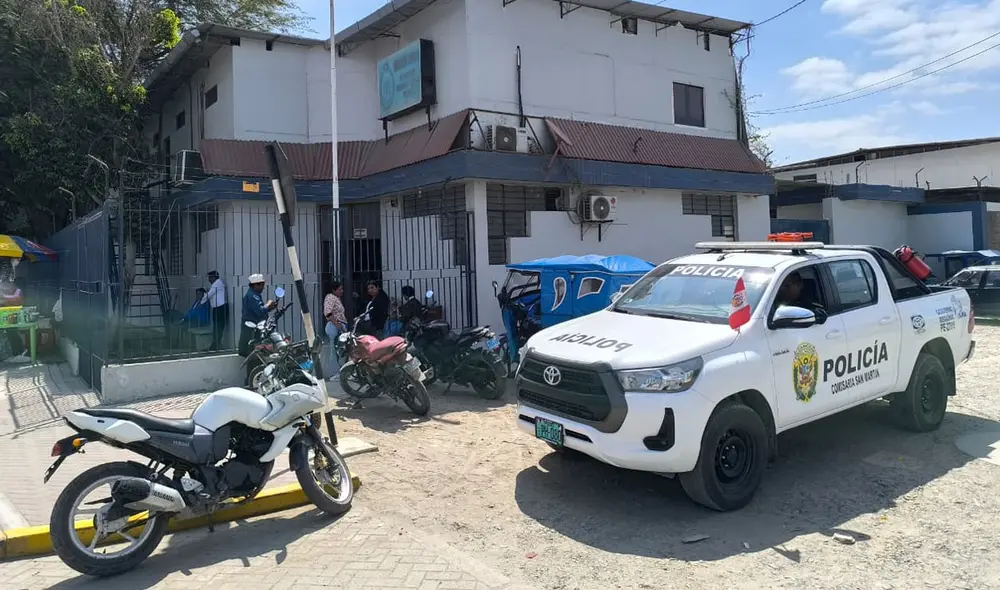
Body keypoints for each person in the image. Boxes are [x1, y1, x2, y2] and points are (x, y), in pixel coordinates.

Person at [238, 273, 276, 358]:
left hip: (255, 328)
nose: (263, 287)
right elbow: (260, 310)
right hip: (251, 329)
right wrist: (268, 304)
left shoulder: (255, 295)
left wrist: (270, 308)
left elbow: (260, 311)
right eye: (261, 285)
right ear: (255, 285)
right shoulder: (252, 296)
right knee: (253, 353)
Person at [323, 281, 348, 378]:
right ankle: (334, 373)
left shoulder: (336, 298)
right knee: (334, 350)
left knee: (339, 350)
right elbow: (328, 313)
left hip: (337, 326)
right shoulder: (330, 297)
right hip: (334, 326)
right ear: (334, 290)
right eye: (340, 289)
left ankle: (338, 371)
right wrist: (338, 325)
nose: (342, 291)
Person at [201, 270, 227, 350]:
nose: (209, 280)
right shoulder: (216, 284)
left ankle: (215, 345)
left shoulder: (217, 283)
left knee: (218, 327)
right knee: (217, 327)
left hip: (220, 308)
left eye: (210, 277)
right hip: (217, 308)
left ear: (214, 277)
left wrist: (202, 301)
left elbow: (209, 294)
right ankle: (215, 345)